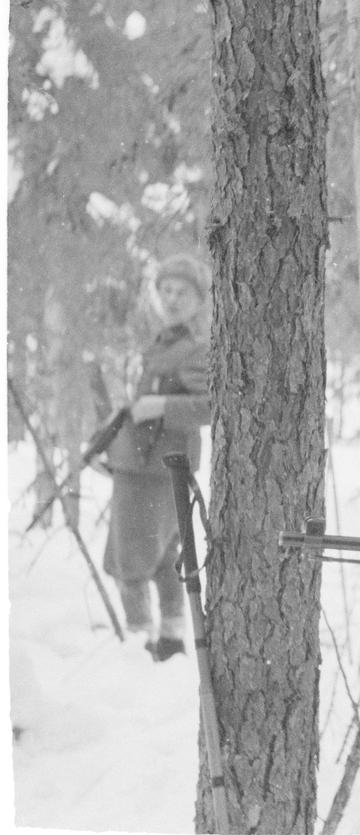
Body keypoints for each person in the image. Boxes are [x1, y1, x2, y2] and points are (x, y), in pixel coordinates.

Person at [104, 253, 212, 662]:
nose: (171, 299)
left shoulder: (193, 350)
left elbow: (210, 405)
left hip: (154, 469)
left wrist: (161, 405)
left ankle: (139, 650)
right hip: (145, 464)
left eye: (182, 292)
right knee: (164, 558)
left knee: (128, 562)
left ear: (199, 300)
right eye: (165, 290)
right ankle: (167, 640)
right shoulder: (162, 344)